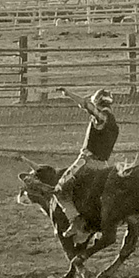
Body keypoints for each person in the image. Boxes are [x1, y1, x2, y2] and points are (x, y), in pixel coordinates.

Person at [53, 87, 120, 243]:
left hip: (87, 162)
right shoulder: (114, 124)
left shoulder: (101, 118)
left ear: (96, 102)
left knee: (60, 190)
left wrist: (69, 94)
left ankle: (75, 219)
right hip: (103, 166)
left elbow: (86, 105)